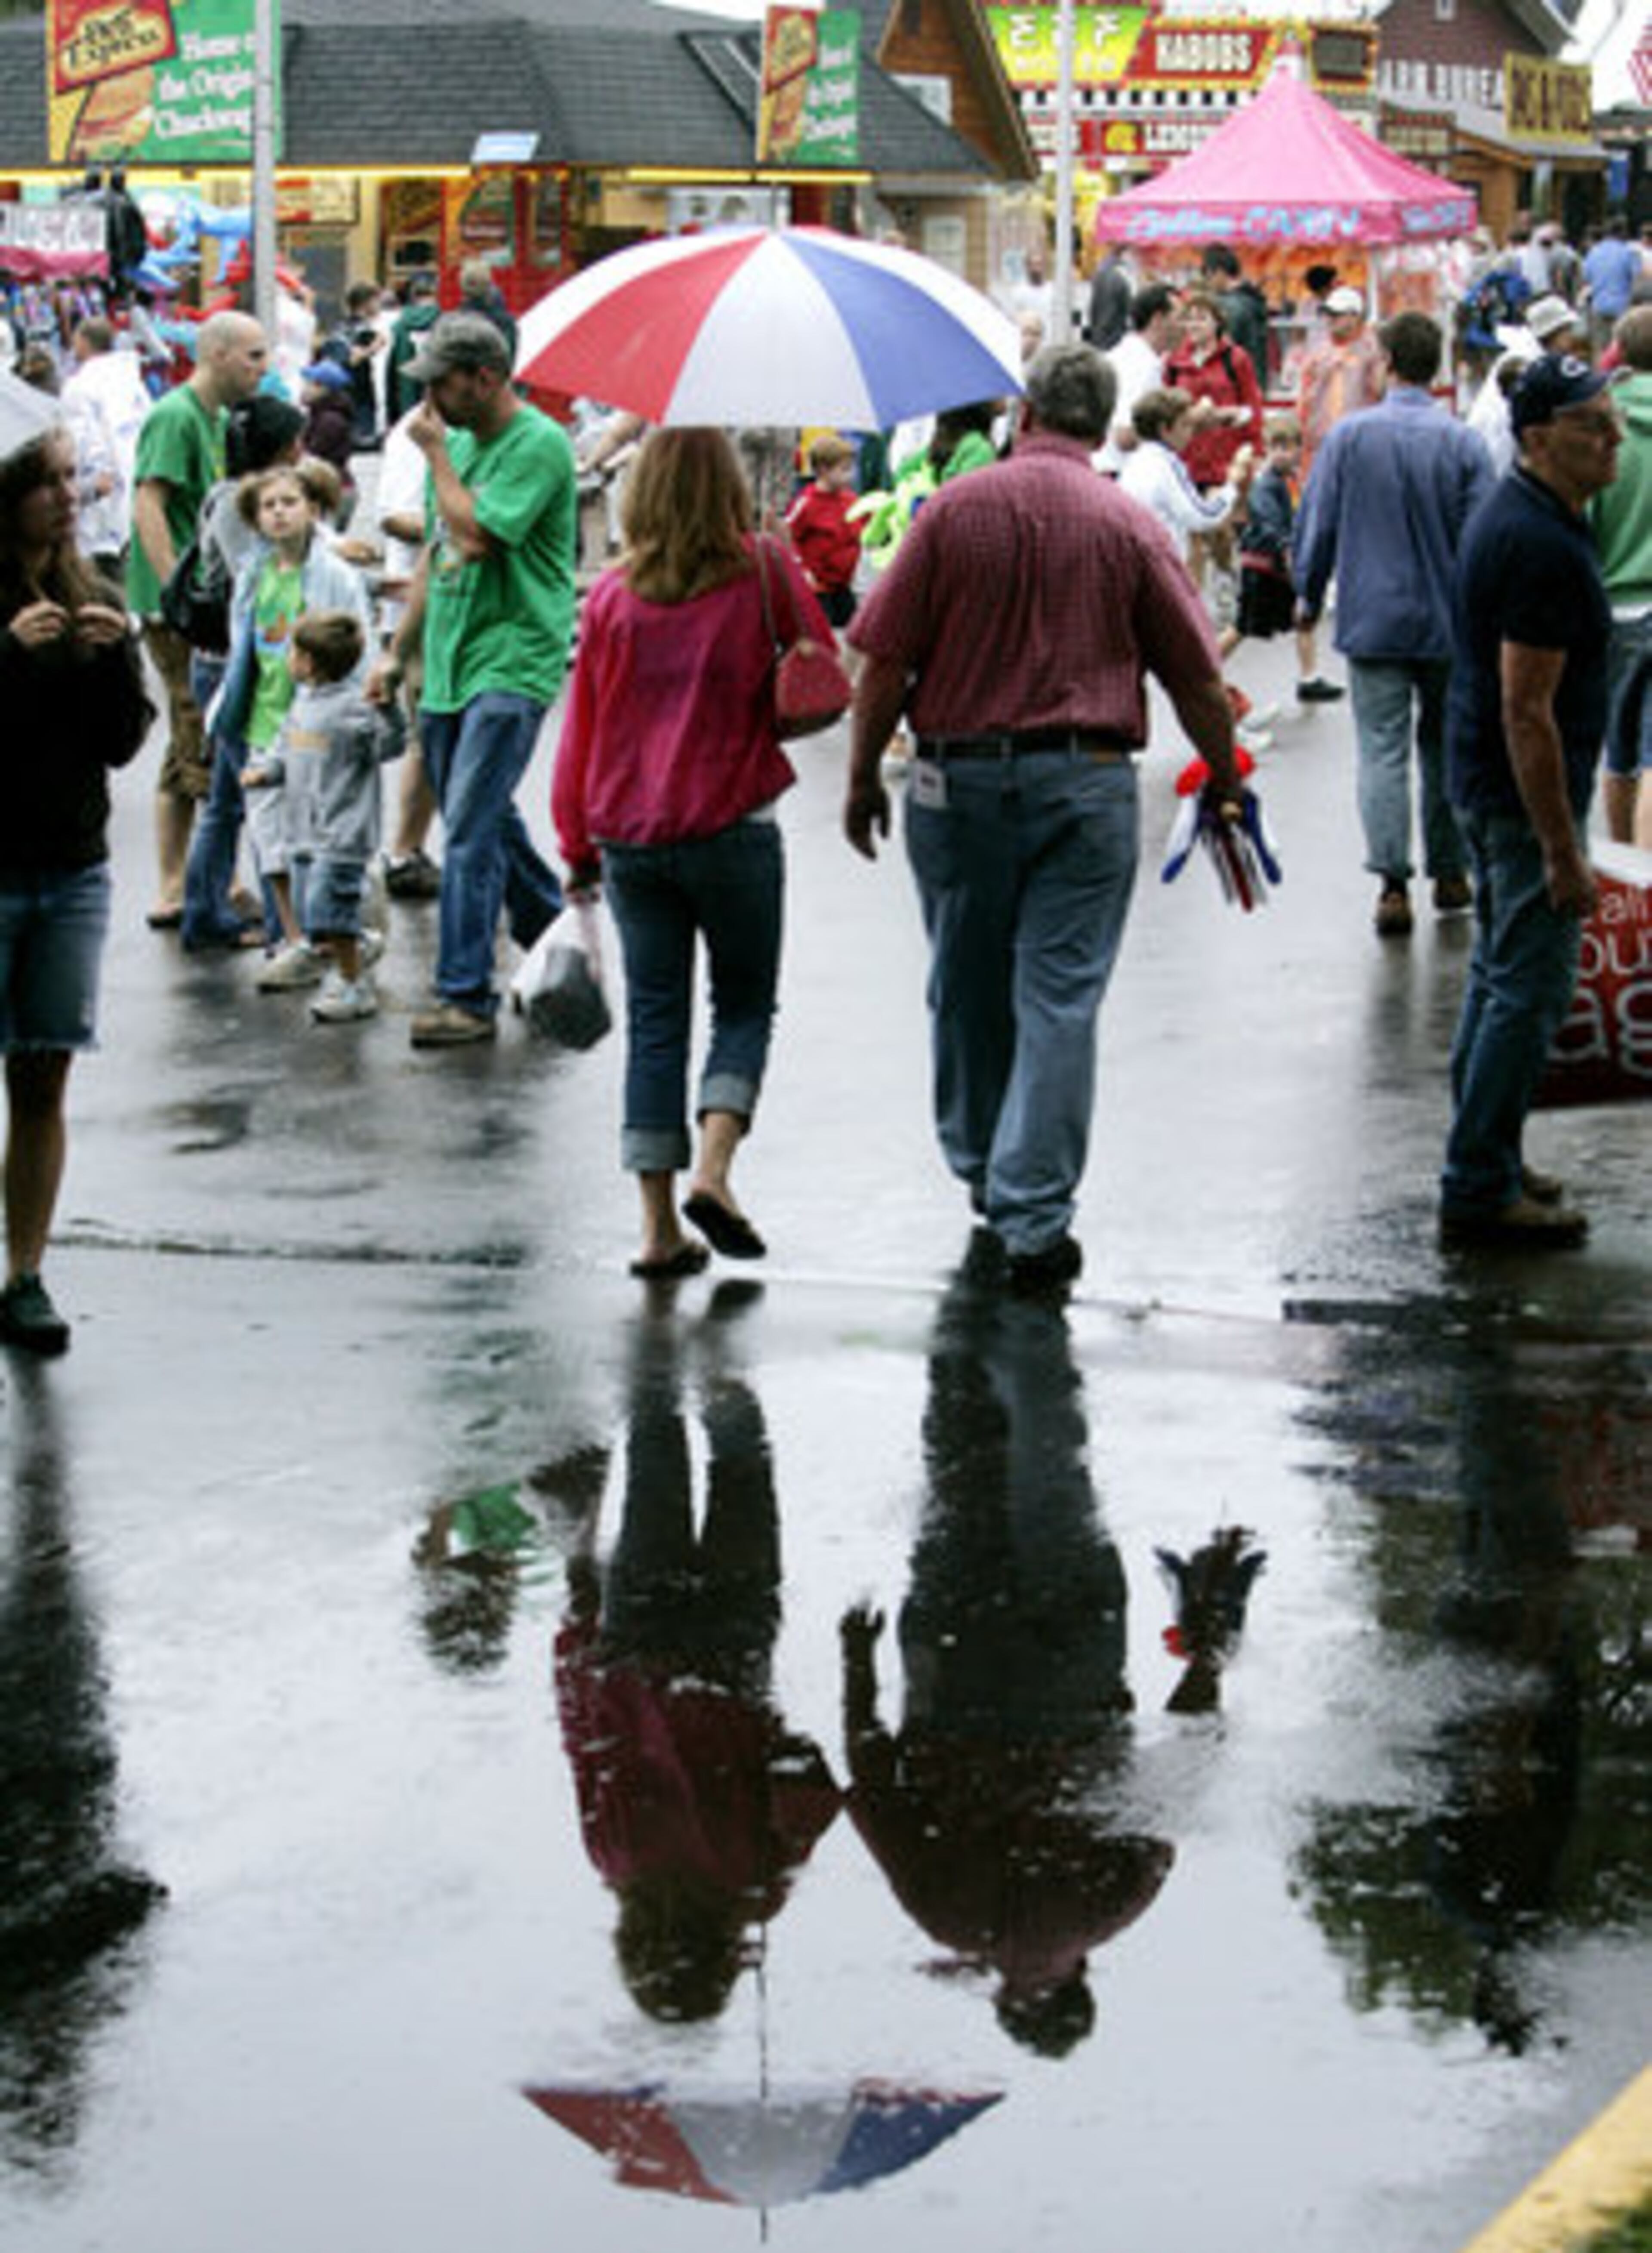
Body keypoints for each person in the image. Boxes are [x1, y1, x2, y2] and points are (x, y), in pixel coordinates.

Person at [842, 344, 1245, 1294]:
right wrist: (1223, 770)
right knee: (1059, 996)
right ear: (1102, 422)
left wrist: (862, 776)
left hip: (958, 781)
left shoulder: (951, 516)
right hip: (1085, 780)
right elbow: (1193, 672)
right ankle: (1035, 1212)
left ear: (1023, 415)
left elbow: (886, 660)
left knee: (967, 980)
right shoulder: (1126, 524)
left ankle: (984, 1166)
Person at [553, 428, 831, 1278]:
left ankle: (658, 1228)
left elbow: (583, 731)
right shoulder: (764, 570)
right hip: (736, 821)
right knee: (745, 1005)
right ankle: (714, 1171)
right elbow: (821, 657)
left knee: (657, 1024)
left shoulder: (609, 597)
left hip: (631, 835)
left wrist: (575, 842)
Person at [1439, 354, 1622, 1250]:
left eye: (1614, 418)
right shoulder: (1539, 542)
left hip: (1489, 783)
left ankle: (1492, 1157)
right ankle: (1478, 1181)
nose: (1615, 436)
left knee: (1498, 976)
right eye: (1595, 424)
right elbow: (1527, 706)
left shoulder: (1535, 516)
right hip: (1516, 797)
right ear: (1542, 438)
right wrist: (1562, 846)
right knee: (1526, 989)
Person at [371, 313, 571, 1047]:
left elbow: (477, 535)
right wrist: (399, 651)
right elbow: (433, 552)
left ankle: (466, 995)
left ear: (486, 378)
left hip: (514, 656)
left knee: (472, 829)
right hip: (452, 658)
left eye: (441, 384)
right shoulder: (452, 443)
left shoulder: (539, 444)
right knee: (475, 815)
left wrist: (438, 461)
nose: (430, 401)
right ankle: (558, 933)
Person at [0, 429, 152, 1353]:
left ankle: (25, 1271)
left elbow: (122, 742)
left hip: (71, 868)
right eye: (45, 483)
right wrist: (7, 656)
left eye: (69, 480)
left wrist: (108, 658)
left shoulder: (90, 591)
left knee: (43, 1073)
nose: (66, 497)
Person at [1294, 313, 1495, 936]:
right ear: (1435, 366)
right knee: (1444, 747)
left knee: (1381, 750)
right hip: (1448, 621)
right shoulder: (1462, 443)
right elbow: (1484, 538)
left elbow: (1319, 525)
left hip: (1374, 618)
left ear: (1386, 362)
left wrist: (1306, 590)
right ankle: (1452, 869)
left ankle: (1391, 881)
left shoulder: (1351, 439)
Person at [126, 309, 268, 926]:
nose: (262, 366)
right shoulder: (176, 417)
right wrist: (174, 594)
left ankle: (180, 882)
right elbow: (148, 505)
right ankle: (204, 885)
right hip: (177, 608)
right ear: (216, 354)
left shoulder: (216, 420)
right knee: (200, 731)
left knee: (189, 736)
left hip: (202, 605)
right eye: (253, 355)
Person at [215, 460, 373, 988]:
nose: (279, 514)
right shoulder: (254, 574)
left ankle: (339, 938)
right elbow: (243, 646)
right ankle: (298, 937)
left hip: (315, 724)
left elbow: (358, 644)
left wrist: (358, 709)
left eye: (289, 503)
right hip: (263, 718)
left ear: (313, 510)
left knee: (320, 839)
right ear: (255, 519)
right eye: (268, 506)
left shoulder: (334, 574)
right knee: (272, 841)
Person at [178, 393, 308, 953]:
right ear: (278, 449)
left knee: (231, 802)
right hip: (233, 671)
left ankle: (205, 914)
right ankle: (281, 929)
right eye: (295, 442)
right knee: (259, 796)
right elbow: (254, 581)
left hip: (228, 666)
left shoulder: (234, 498)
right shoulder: (238, 506)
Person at [240, 610, 404, 1024]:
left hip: (341, 835)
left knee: (329, 909)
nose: (288, 660)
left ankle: (353, 984)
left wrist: (389, 711)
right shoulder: (303, 703)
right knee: (312, 913)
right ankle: (357, 944)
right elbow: (286, 750)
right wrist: (267, 771)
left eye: (293, 652)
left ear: (310, 662)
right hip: (303, 831)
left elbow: (391, 745)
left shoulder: (353, 709)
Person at [1590, 304, 1652, 847]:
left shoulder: (1602, 430)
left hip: (1614, 606)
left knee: (1620, 753)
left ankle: (1629, 882)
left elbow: (1582, 522)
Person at [1230, 410, 1342, 703]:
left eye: (1288, 447)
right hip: (1264, 567)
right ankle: (1207, 667)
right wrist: (1289, 548)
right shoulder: (1267, 484)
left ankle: (1310, 677)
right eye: (1275, 447)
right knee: (1244, 626)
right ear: (1266, 449)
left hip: (1278, 567)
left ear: (1298, 449)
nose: (1282, 454)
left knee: (1305, 618)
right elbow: (1270, 528)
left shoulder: (1289, 481)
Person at [58, 315, 149, 580]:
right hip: (134, 491)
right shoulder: (133, 382)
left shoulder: (80, 387)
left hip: (101, 503)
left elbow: (81, 443)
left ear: (83, 342)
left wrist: (89, 486)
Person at [1160, 287, 1262, 492]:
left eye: (1202, 318)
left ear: (1217, 323)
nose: (1194, 325)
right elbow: (1167, 407)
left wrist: (1255, 450)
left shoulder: (1236, 359)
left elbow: (1253, 406)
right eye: (1190, 319)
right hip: (1188, 464)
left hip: (1227, 462)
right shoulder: (1175, 361)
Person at [1295, 284, 1384, 474]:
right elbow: (1304, 401)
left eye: (1338, 314)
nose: (1331, 319)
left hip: (1363, 446)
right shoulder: (1318, 353)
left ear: (1356, 317)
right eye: (1329, 314)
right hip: (1322, 446)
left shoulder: (1373, 351)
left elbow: (1381, 392)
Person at [1097, 282, 1178, 475]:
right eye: (1180, 318)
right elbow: (1125, 435)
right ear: (1158, 319)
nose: (1185, 327)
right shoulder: (1140, 365)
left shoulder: (1127, 356)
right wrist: (1179, 429)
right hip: (1119, 475)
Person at [783, 431, 860, 629]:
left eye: (850, 469)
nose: (850, 476)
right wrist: (802, 569)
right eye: (844, 470)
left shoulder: (851, 500)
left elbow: (865, 528)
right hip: (818, 587)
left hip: (843, 584)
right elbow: (788, 536)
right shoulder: (807, 503)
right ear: (824, 470)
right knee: (820, 636)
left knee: (855, 631)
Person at [1200, 243, 1271, 392]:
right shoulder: (1254, 299)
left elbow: (1223, 347)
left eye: (1207, 273)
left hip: (1236, 385)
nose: (1206, 280)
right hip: (1256, 379)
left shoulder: (1229, 306)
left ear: (1219, 272)